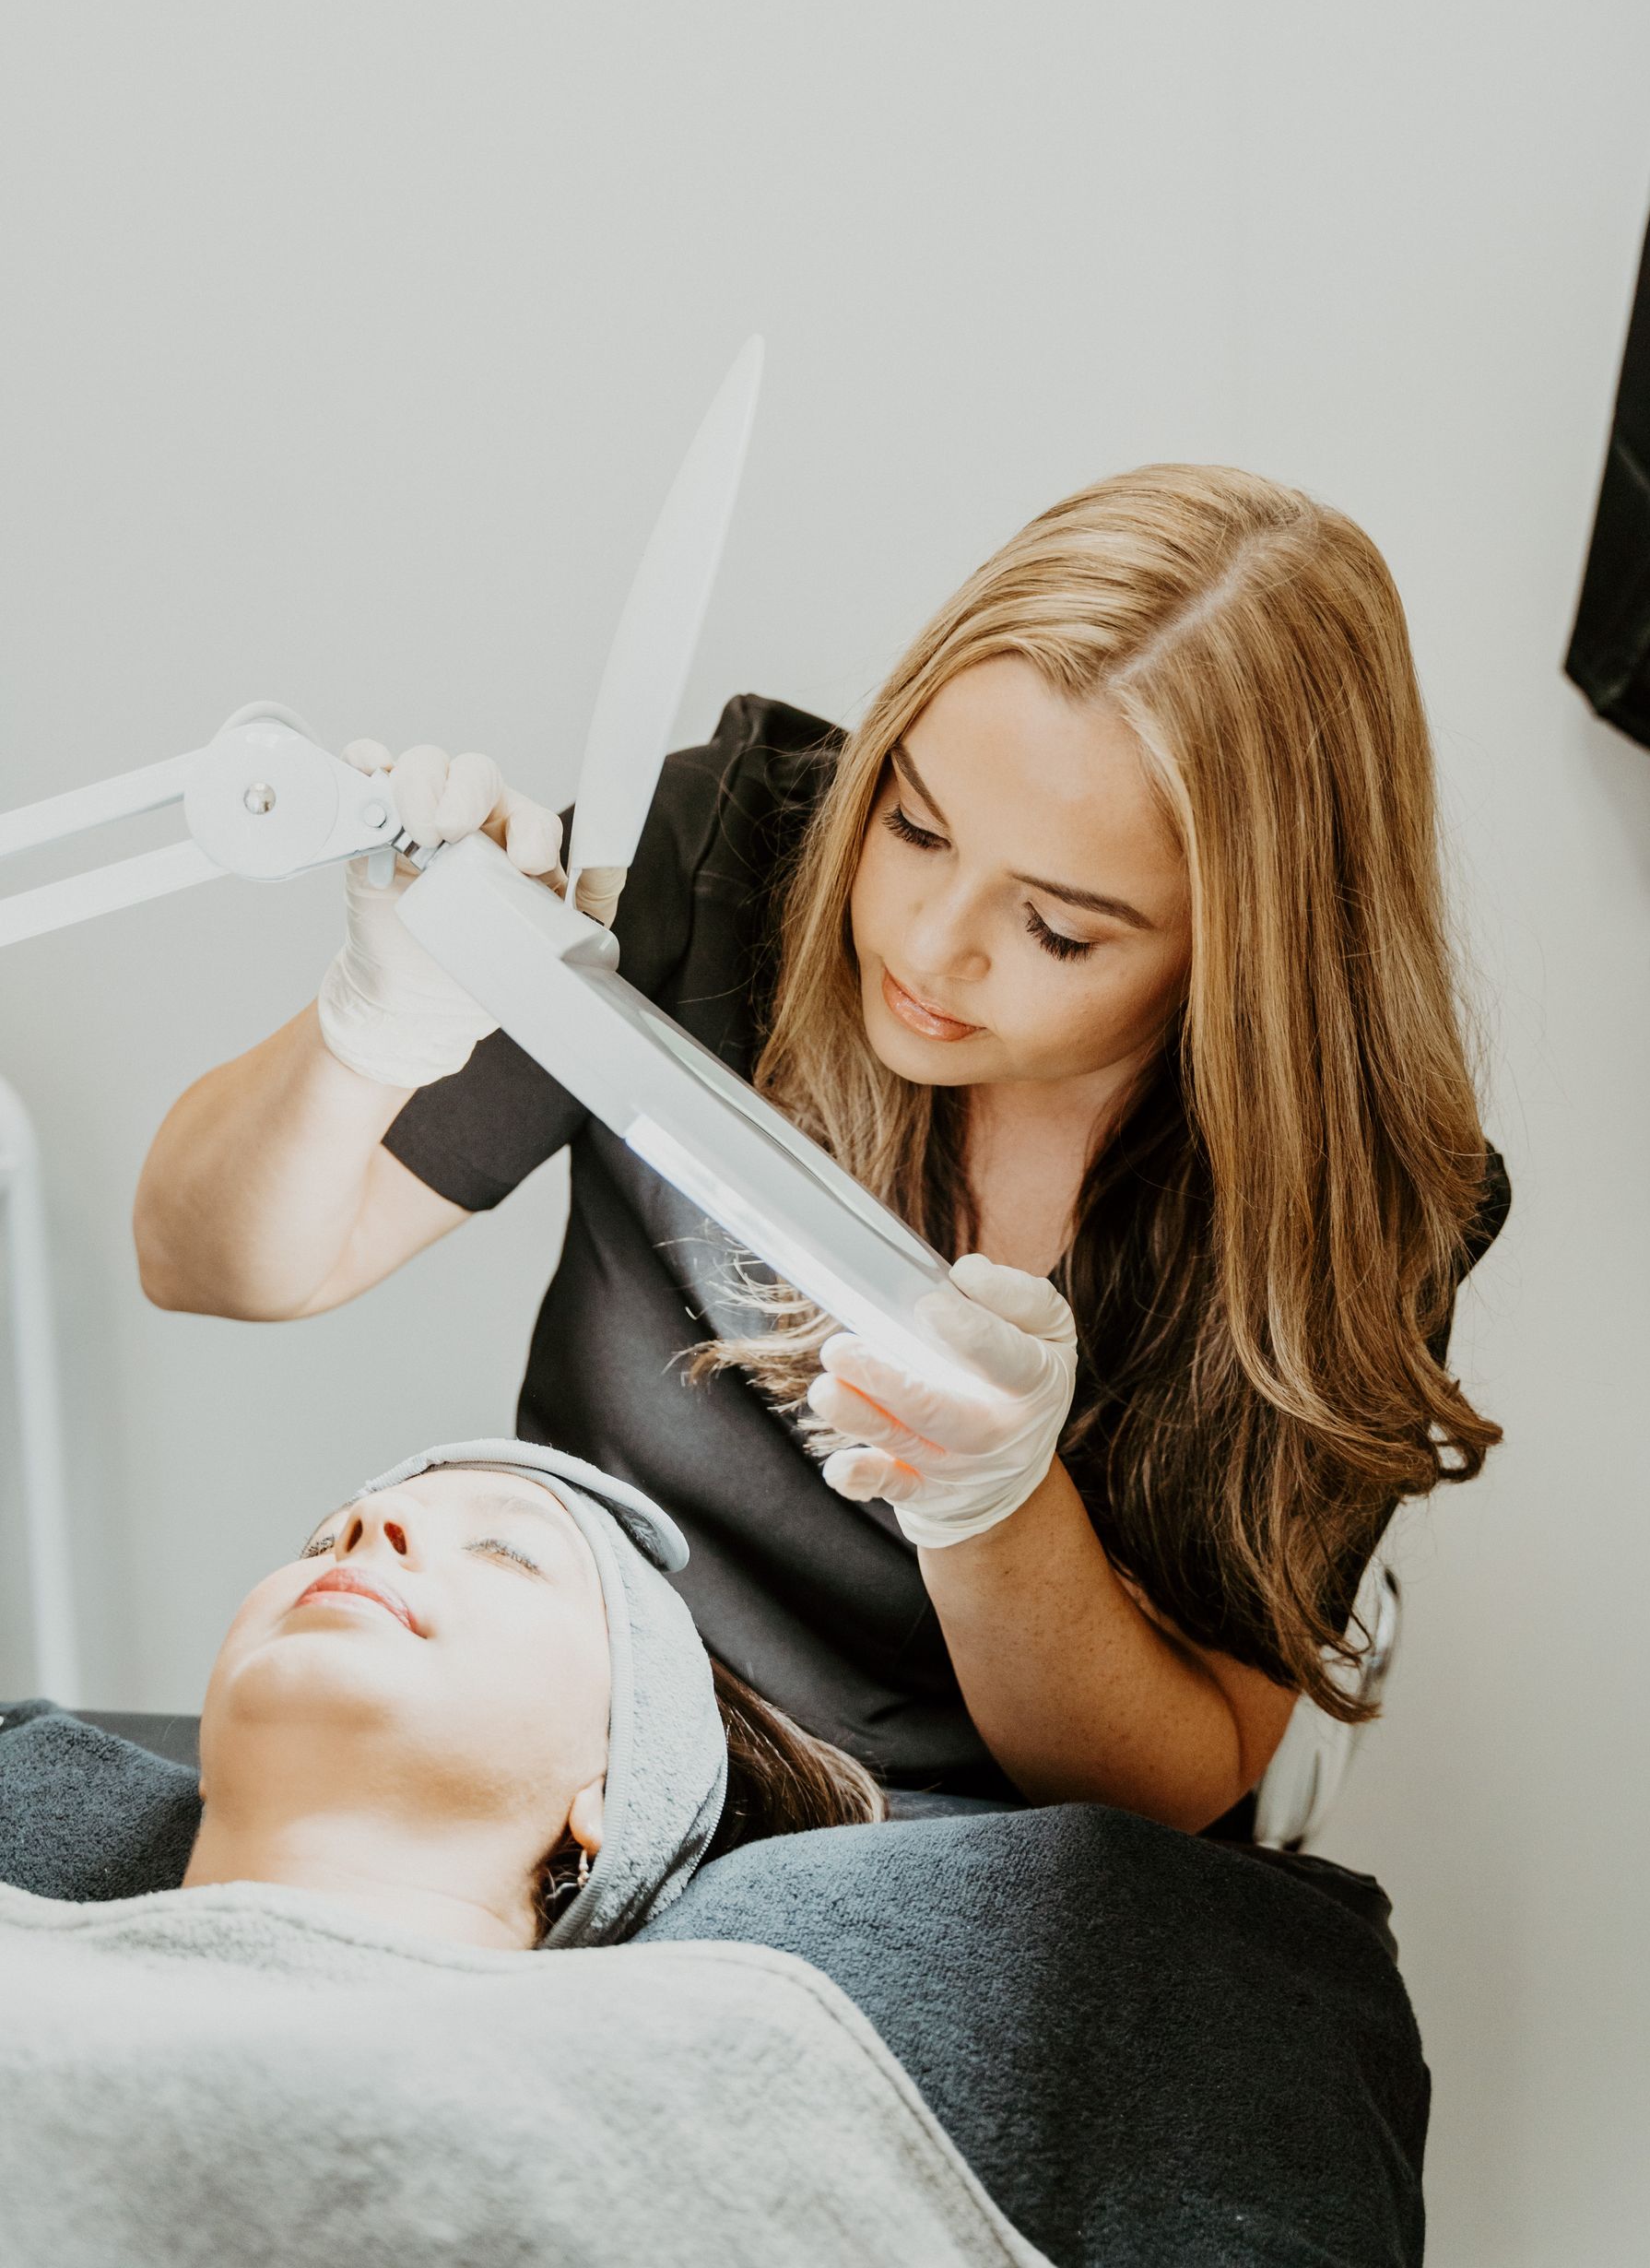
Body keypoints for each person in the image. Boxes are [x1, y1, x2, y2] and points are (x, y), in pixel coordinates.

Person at [135, 466, 1509, 1830]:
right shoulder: (724, 863)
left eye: (1059, 930)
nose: (927, 943)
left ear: (1243, 957)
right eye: (913, 825)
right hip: (578, 1742)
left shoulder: (1347, 1209)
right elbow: (214, 1265)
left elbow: (1178, 1778)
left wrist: (994, 1514)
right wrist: (371, 1030)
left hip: (944, 1863)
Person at [0, 1439, 1050, 2268]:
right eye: (325, 1541)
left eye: (506, 1550)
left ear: (610, 1785)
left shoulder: (713, 2054)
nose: (373, 1520)